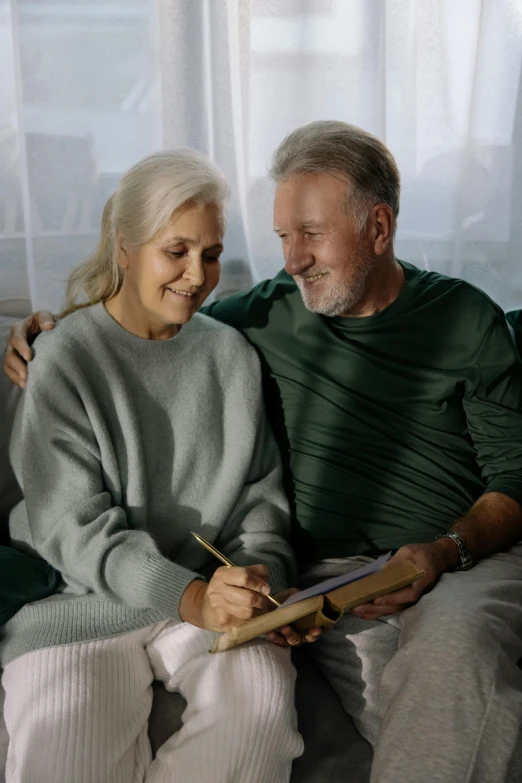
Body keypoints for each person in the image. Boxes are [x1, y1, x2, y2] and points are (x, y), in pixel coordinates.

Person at [5, 121, 522, 783]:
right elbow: (135, 336)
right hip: (323, 582)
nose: (291, 259)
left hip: (455, 560)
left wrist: (443, 549)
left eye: (309, 234)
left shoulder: (462, 319)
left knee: (450, 653)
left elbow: (514, 475)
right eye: (282, 237)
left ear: (379, 228)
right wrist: (43, 330)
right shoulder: (256, 320)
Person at [0, 149, 310, 783]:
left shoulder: (230, 356)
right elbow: (73, 529)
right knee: (61, 758)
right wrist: (189, 597)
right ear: (124, 247)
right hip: (80, 600)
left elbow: (260, 505)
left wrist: (261, 583)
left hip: (208, 601)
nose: (197, 276)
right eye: (177, 251)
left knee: (259, 722)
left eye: (213, 254)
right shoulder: (62, 359)